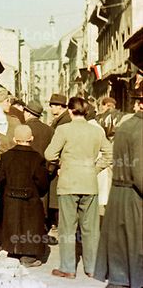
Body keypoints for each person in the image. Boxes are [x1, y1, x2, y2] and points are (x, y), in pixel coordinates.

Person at [44, 97, 112, 279]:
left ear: (70, 110)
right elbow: (110, 154)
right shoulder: (96, 131)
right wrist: (94, 168)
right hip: (90, 182)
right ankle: (92, 267)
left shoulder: (63, 129)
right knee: (91, 228)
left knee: (67, 227)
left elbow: (49, 154)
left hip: (68, 183)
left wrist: (61, 164)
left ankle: (68, 268)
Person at [94, 89, 143, 288]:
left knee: (120, 255)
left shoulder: (126, 126)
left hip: (119, 194)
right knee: (134, 253)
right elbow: (140, 173)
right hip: (135, 198)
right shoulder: (141, 129)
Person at [0, 125, 49, 268]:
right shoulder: (37, 158)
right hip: (30, 198)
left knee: (11, 222)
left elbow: (0, 178)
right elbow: (42, 182)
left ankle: (12, 250)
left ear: (14, 139)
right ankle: (28, 256)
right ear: (31, 139)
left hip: (10, 197)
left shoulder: (6, 156)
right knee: (30, 225)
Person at [23, 100, 56, 233]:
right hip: (44, 170)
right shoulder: (50, 130)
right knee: (43, 197)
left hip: (26, 169)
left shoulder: (24, 128)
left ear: (28, 113)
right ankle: (42, 224)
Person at [46, 93, 71, 239]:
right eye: (51, 105)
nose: (51, 108)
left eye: (54, 105)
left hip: (61, 163)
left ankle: (58, 225)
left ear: (61, 107)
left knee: (58, 194)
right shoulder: (60, 119)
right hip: (60, 163)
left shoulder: (64, 121)